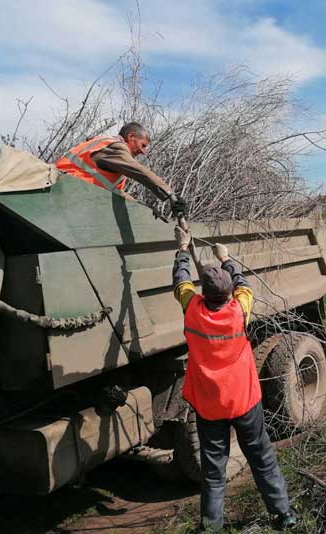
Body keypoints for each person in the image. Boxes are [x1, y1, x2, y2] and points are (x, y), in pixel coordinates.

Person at [172, 226, 297, 532]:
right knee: (261, 457)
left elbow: (180, 281)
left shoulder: (192, 309)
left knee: (214, 470)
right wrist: (226, 258)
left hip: (210, 405)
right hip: (243, 399)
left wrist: (182, 248)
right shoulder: (239, 308)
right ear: (228, 294)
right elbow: (243, 283)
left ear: (204, 294)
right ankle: (283, 514)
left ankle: (211, 526)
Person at [55, 122, 187, 214]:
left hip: (69, 191)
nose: (143, 152)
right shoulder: (116, 147)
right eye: (143, 145)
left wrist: (143, 207)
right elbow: (140, 172)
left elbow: (114, 192)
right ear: (131, 136)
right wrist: (170, 194)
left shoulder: (112, 156)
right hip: (63, 190)